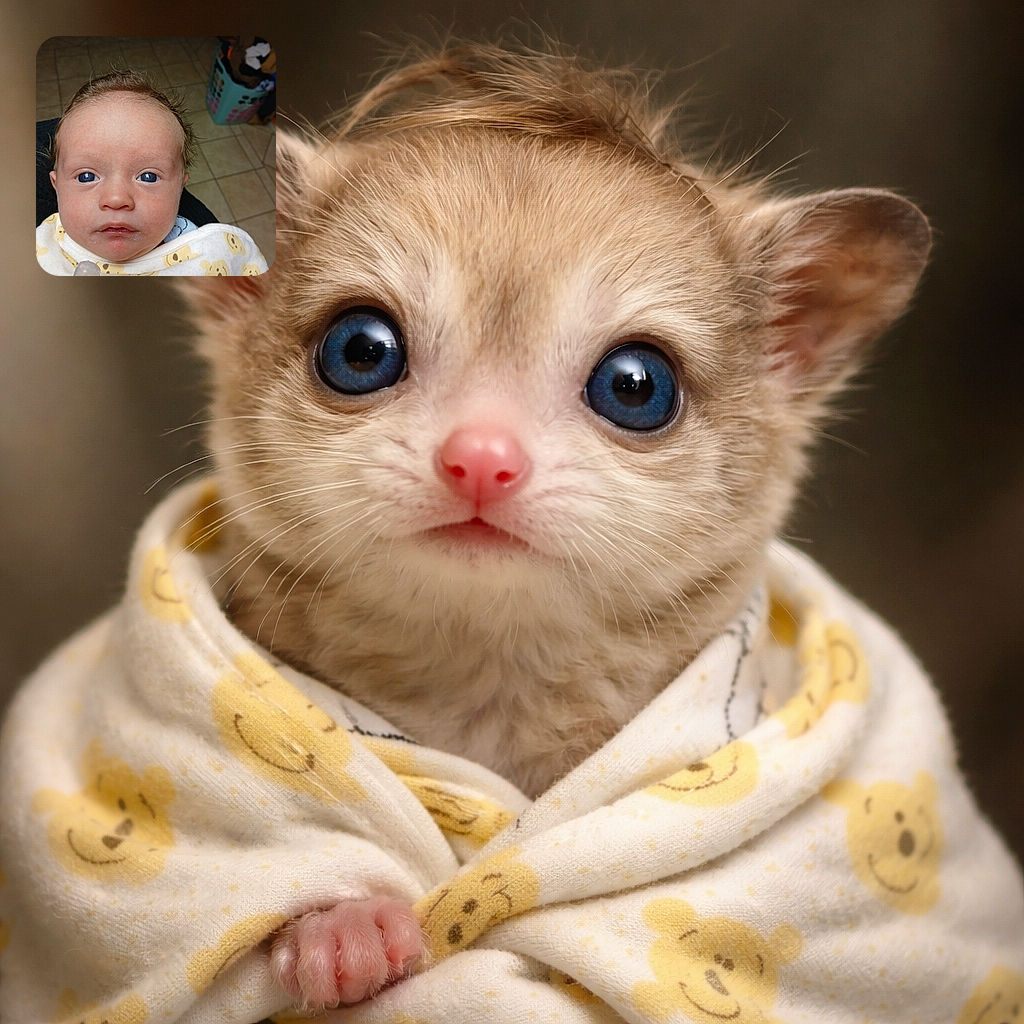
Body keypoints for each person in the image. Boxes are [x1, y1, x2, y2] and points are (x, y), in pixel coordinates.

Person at [36, 71, 268, 276]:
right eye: (86, 176)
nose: (117, 199)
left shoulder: (216, 252)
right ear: (56, 186)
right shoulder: (36, 245)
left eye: (148, 176)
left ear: (180, 187)